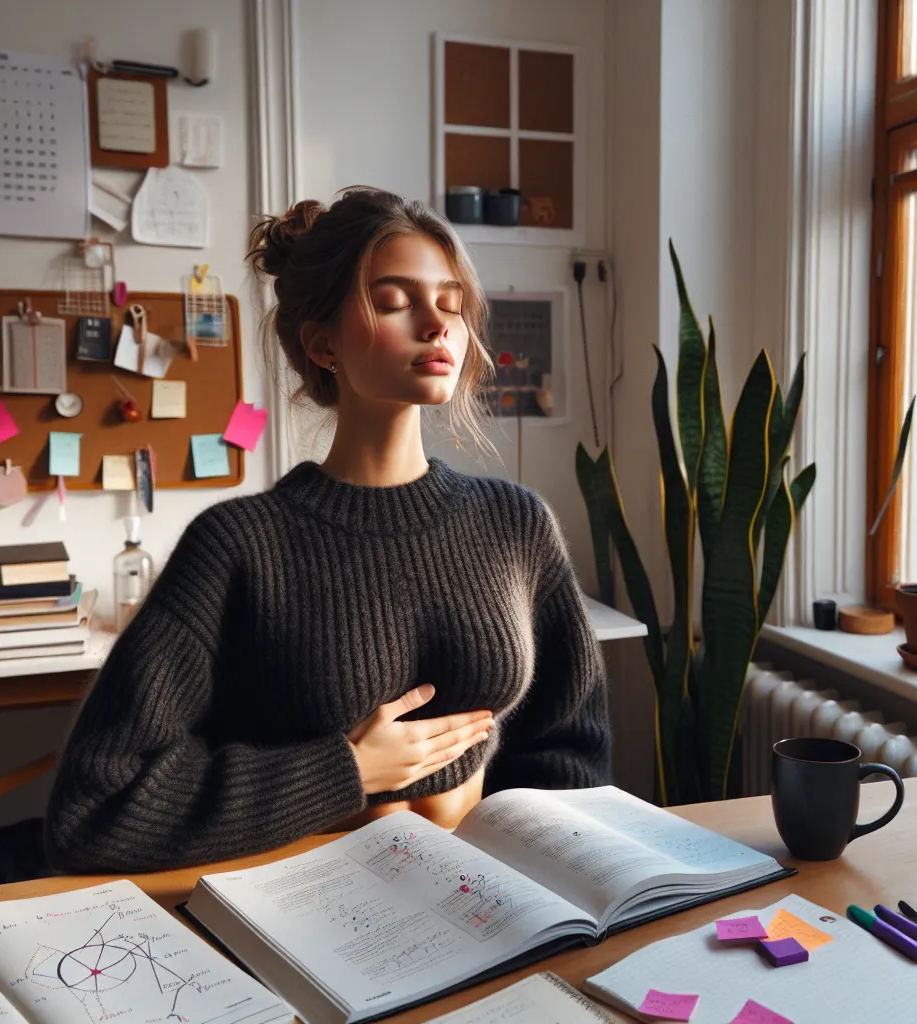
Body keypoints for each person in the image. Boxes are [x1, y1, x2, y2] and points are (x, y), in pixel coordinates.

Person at [43, 187, 611, 873]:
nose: (438, 323)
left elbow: (570, 753)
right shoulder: (239, 547)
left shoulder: (515, 523)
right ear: (323, 344)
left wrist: (552, 893)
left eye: (453, 302)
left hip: (489, 901)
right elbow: (94, 806)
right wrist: (342, 769)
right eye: (397, 300)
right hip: (307, 918)